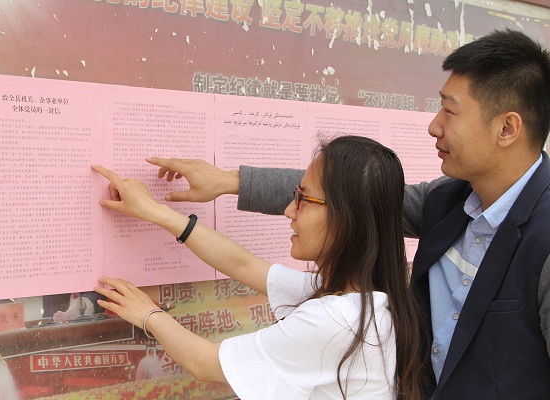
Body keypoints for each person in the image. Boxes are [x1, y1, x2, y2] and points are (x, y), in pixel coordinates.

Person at [146, 29, 550, 399]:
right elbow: (348, 192)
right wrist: (229, 181)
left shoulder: (543, 241)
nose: (433, 126)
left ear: (507, 128)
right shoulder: (446, 201)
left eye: (450, 111)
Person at [92, 136, 424, 400]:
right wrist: (155, 211)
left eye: (304, 199)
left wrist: (148, 313)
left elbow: (204, 363)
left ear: (347, 218)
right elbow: (242, 264)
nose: (289, 211)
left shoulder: (336, 320)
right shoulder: (366, 301)